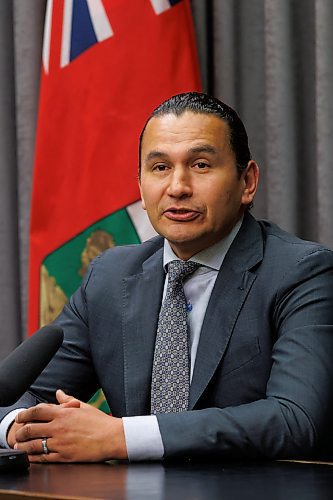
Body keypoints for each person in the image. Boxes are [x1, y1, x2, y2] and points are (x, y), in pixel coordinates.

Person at [1, 92, 333, 463]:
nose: (177, 187)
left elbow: (296, 419)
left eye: (202, 165)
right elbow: (21, 397)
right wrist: (20, 428)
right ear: (141, 187)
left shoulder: (303, 272)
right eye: (160, 168)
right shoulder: (110, 278)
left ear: (247, 182)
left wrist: (121, 437)